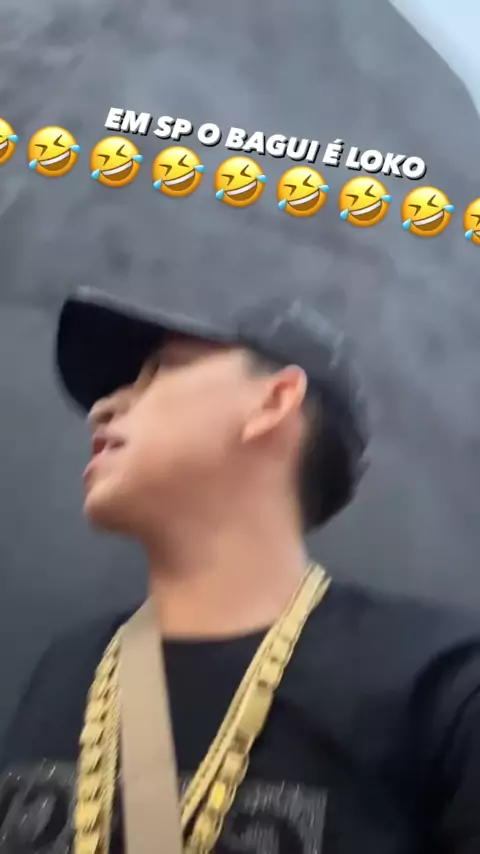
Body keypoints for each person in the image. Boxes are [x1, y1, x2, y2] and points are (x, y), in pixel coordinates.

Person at [1, 286, 480, 854]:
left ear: (274, 402)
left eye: (158, 371)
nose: (104, 407)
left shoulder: (445, 689)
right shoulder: (66, 669)